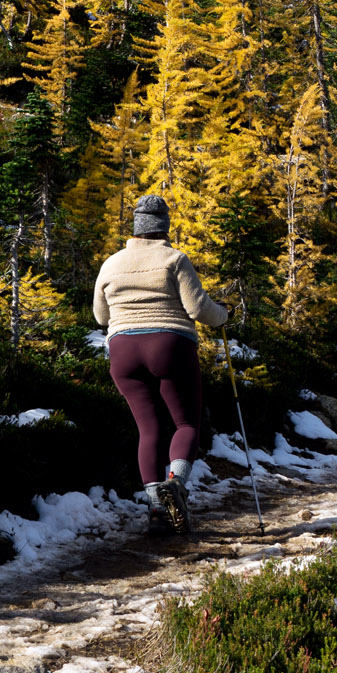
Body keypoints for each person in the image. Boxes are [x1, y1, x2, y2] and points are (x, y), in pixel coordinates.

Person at [93, 194, 228, 536]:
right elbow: (198, 309)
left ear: (135, 227)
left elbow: (100, 315)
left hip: (123, 351)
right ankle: (176, 484)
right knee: (185, 425)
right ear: (164, 227)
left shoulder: (111, 264)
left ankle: (156, 510)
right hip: (169, 345)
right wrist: (224, 314)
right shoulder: (174, 259)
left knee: (149, 430)